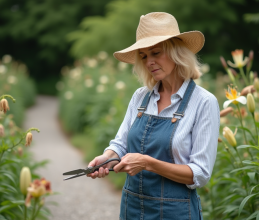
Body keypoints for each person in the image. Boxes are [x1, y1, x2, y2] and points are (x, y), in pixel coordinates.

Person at [87, 12, 220, 220]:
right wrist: (106, 159)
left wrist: (147, 163)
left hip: (175, 213)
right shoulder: (141, 97)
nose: (149, 62)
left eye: (156, 53)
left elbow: (200, 174)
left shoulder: (203, 102)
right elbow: (121, 145)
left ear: (177, 52)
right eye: (144, 56)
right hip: (132, 208)